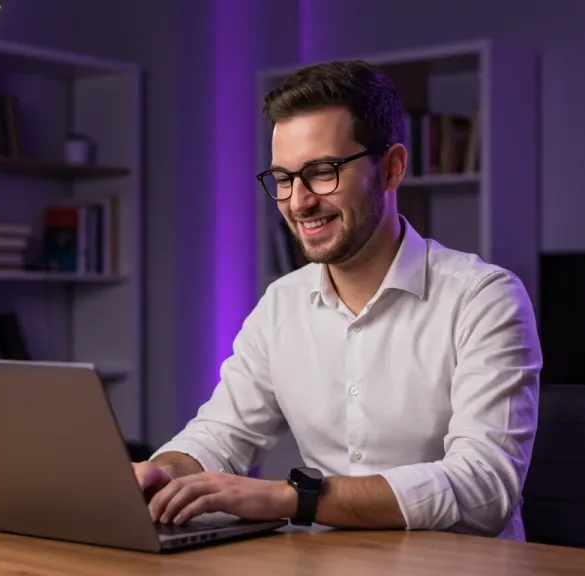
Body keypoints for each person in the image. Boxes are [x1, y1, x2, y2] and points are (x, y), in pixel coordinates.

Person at [132, 60, 542, 540]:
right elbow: (222, 434)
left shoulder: (483, 298)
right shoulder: (280, 305)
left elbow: (483, 489)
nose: (298, 201)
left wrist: (295, 498)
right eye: (283, 179)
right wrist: (164, 472)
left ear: (391, 168)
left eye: (322, 172)